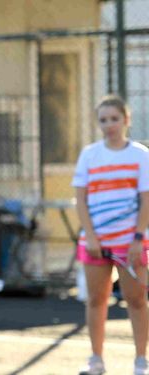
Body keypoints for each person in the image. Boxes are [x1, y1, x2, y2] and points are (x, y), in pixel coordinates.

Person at [73, 95, 149, 375]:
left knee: (137, 300)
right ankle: (96, 359)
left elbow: (146, 199)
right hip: (95, 243)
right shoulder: (89, 155)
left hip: (130, 242)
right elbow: (80, 199)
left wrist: (138, 238)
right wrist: (91, 237)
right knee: (96, 300)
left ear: (126, 120)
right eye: (103, 120)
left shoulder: (140, 155)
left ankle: (141, 360)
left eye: (114, 119)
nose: (109, 125)